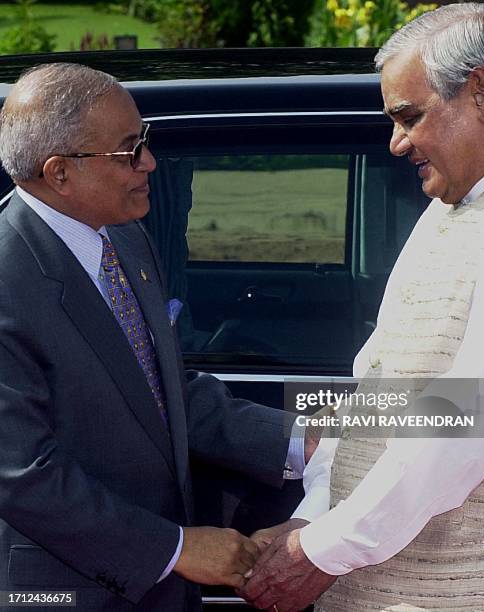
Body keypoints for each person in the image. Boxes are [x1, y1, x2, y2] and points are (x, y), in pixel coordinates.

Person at [240, 4, 484, 611]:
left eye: (408, 117)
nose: (396, 143)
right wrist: (315, 518)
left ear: (481, 92)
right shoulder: (453, 206)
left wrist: (325, 548)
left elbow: (474, 409)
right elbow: (379, 391)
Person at [0, 63, 317, 611]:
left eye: (144, 140)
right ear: (59, 173)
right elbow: (21, 472)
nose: (148, 162)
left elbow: (158, 388)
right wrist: (175, 549)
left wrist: (294, 440)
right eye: (129, 150)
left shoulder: (124, 239)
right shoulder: (9, 278)